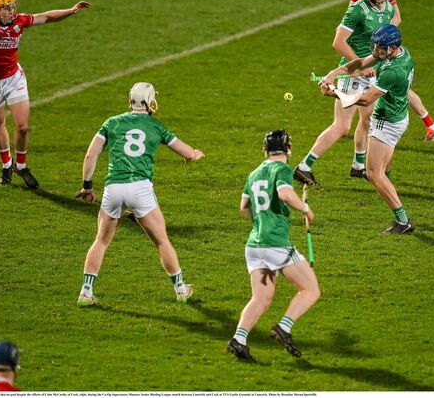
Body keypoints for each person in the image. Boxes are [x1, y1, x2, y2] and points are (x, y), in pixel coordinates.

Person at [75, 82, 205, 306]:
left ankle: (86, 292)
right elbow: (187, 153)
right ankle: (181, 290)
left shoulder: (112, 123)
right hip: (140, 189)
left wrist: (87, 186)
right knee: (162, 241)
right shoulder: (156, 127)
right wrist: (193, 155)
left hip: (113, 188)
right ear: (149, 101)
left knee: (101, 241)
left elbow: (90, 155)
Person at [0, 0, 90, 188]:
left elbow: (45, 17)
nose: (11, 10)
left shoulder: (19, 20)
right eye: (5, 8)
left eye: (12, 6)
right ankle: (6, 165)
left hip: (13, 78)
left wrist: (70, 11)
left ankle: (20, 166)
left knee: (23, 126)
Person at [293, 0, 396, 185]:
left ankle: (358, 166)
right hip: (353, 73)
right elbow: (338, 42)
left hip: (371, 72)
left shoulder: (389, 9)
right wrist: (360, 65)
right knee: (341, 126)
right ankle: (303, 167)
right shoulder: (357, 9)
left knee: (368, 120)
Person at [227, 130, 320, 362]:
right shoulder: (282, 170)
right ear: (289, 149)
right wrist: (306, 210)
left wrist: (260, 222)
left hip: (254, 245)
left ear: (264, 150)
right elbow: (286, 194)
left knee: (261, 298)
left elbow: (244, 206)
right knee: (310, 290)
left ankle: (238, 340)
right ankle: (284, 328)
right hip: (275, 244)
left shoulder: (254, 173)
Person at [321, 25, 415, 234]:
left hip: (386, 122)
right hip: (399, 116)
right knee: (383, 168)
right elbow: (361, 63)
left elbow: (365, 100)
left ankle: (403, 221)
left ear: (393, 47)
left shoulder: (393, 71)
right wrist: (334, 73)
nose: (377, 51)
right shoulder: (400, 53)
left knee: (373, 173)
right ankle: (389, 190)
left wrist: (334, 92)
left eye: (381, 48)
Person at [344, 0, 434, 141]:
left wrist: (382, 36)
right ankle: (430, 124)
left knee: (393, 83)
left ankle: (430, 124)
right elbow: (352, 4)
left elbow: (397, 16)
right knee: (390, 84)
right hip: (368, 45)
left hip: (382, 46)